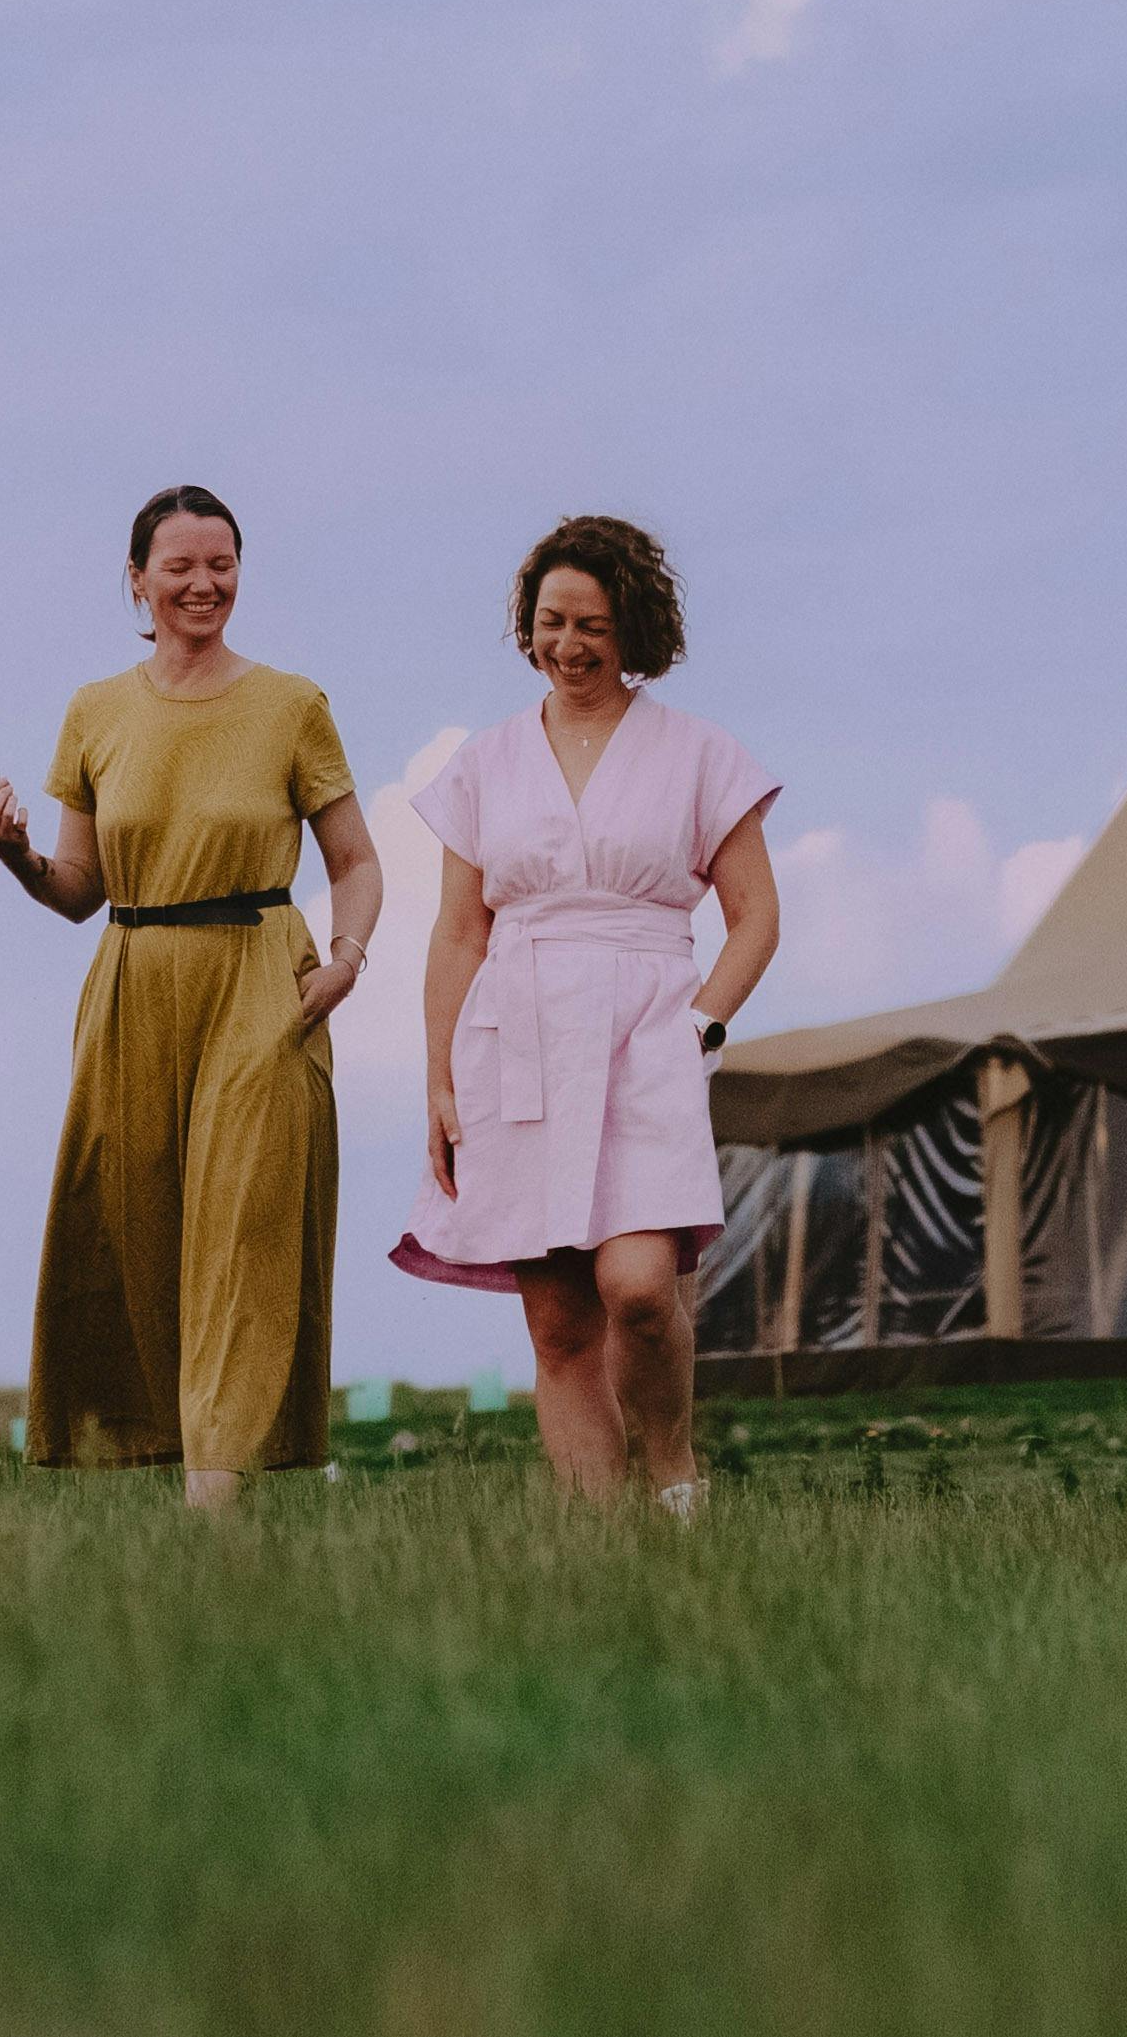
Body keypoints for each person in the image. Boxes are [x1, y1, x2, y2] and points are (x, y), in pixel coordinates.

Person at [0, 485, 382, 1507]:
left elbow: (355, 860)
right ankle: (157, 1457)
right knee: (137, 1228)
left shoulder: (292, 704)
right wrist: (17, 855)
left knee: (243, 1225)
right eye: (181, 566)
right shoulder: (94, 710)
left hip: (262, 979)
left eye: (222, 564)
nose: (204, 584)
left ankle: (216, 1498)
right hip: (134, 977)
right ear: (136, 580)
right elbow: (80, 889)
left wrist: (347, 956)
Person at [391, 513, 783, 1517]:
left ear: (632, 629)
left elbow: (755, 917)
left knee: (640, 1288)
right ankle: (603, 1553)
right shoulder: (484, 763)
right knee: (560, 1324)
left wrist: (699, 1025)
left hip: (650, 1031)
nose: (567, 645)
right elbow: (458, 933)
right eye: (550, 621)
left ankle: (674, 1480)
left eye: (591, 626)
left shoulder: (699, 753)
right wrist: (439, 1080)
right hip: (513, 1036)